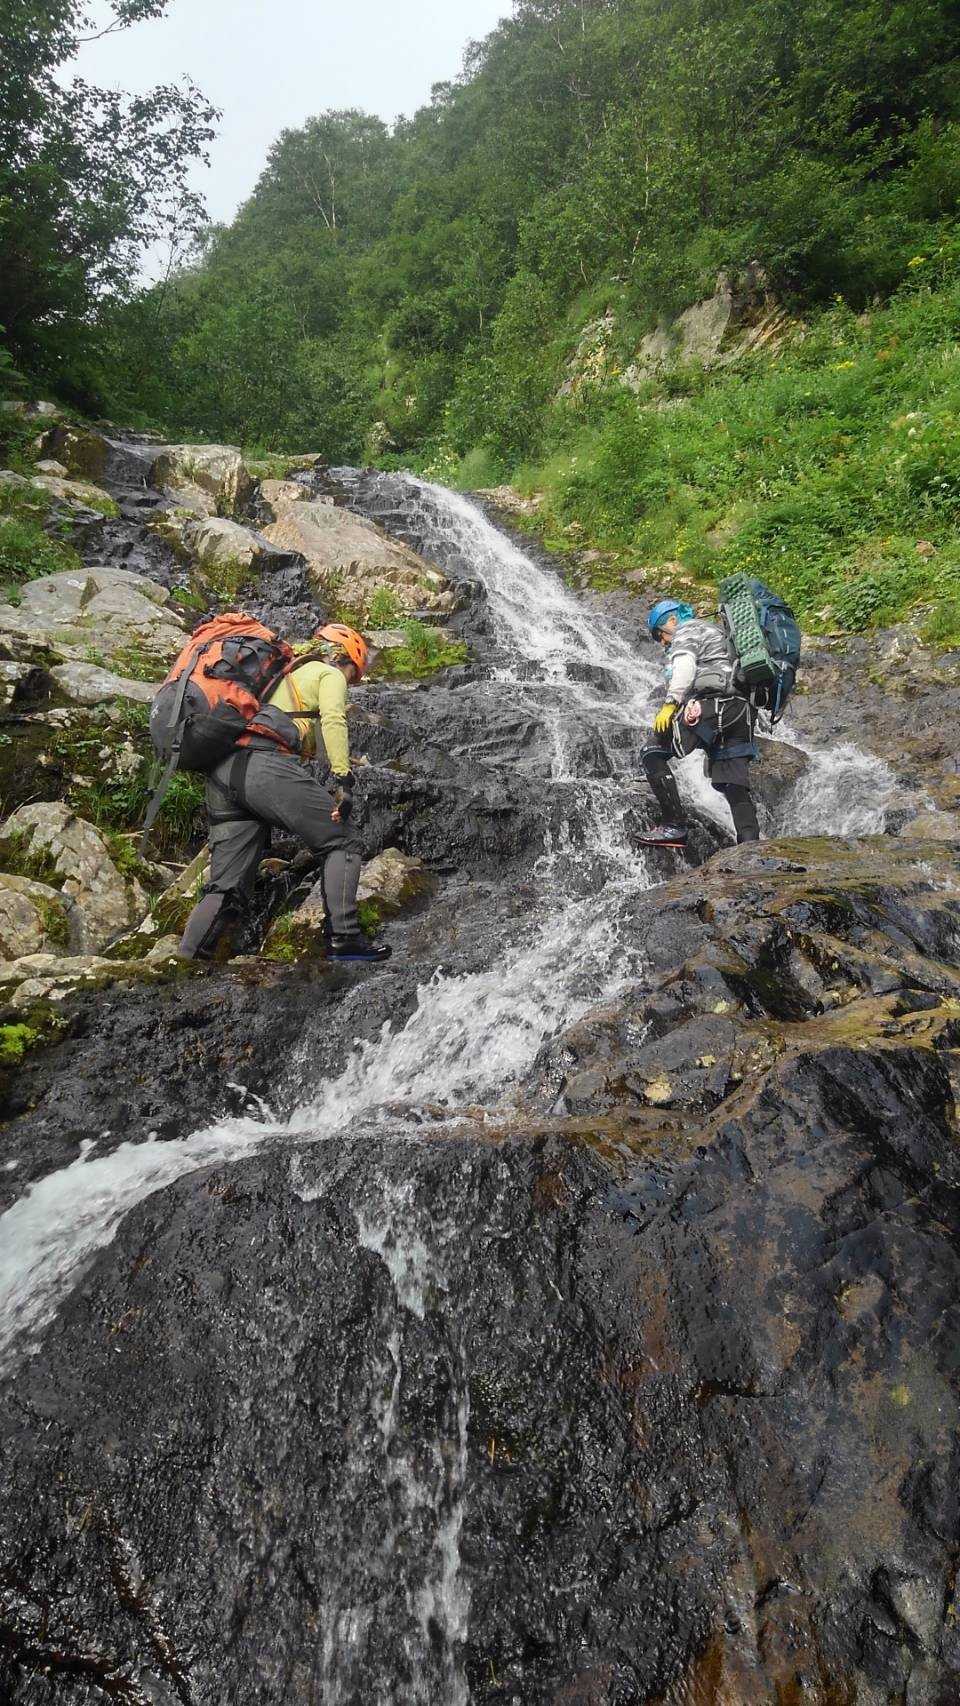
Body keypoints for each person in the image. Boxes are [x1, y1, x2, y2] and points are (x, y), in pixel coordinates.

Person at [179, 623, 391, 964]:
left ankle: (184, 964)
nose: (350, 683)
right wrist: (343, 780)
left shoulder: (278, 679)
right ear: (346, 659)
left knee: (226, 886)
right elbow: (333, 721)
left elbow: (308, 738)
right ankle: (345, 939)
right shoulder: (329, 673)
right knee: (343, 839)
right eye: (354, 675)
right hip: (261, 766)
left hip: (223, 771)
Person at [639, 598, 760, 849]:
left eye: (660, 635)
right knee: (733, 785)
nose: (662, 642)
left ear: (672, 620)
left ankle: (674, 826)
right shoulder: (719, 633)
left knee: (652, 751)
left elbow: (685, 666)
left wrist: (671, 704)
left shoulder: (687, 629)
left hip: (714, 706)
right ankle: (750, 848)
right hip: (741, 713)